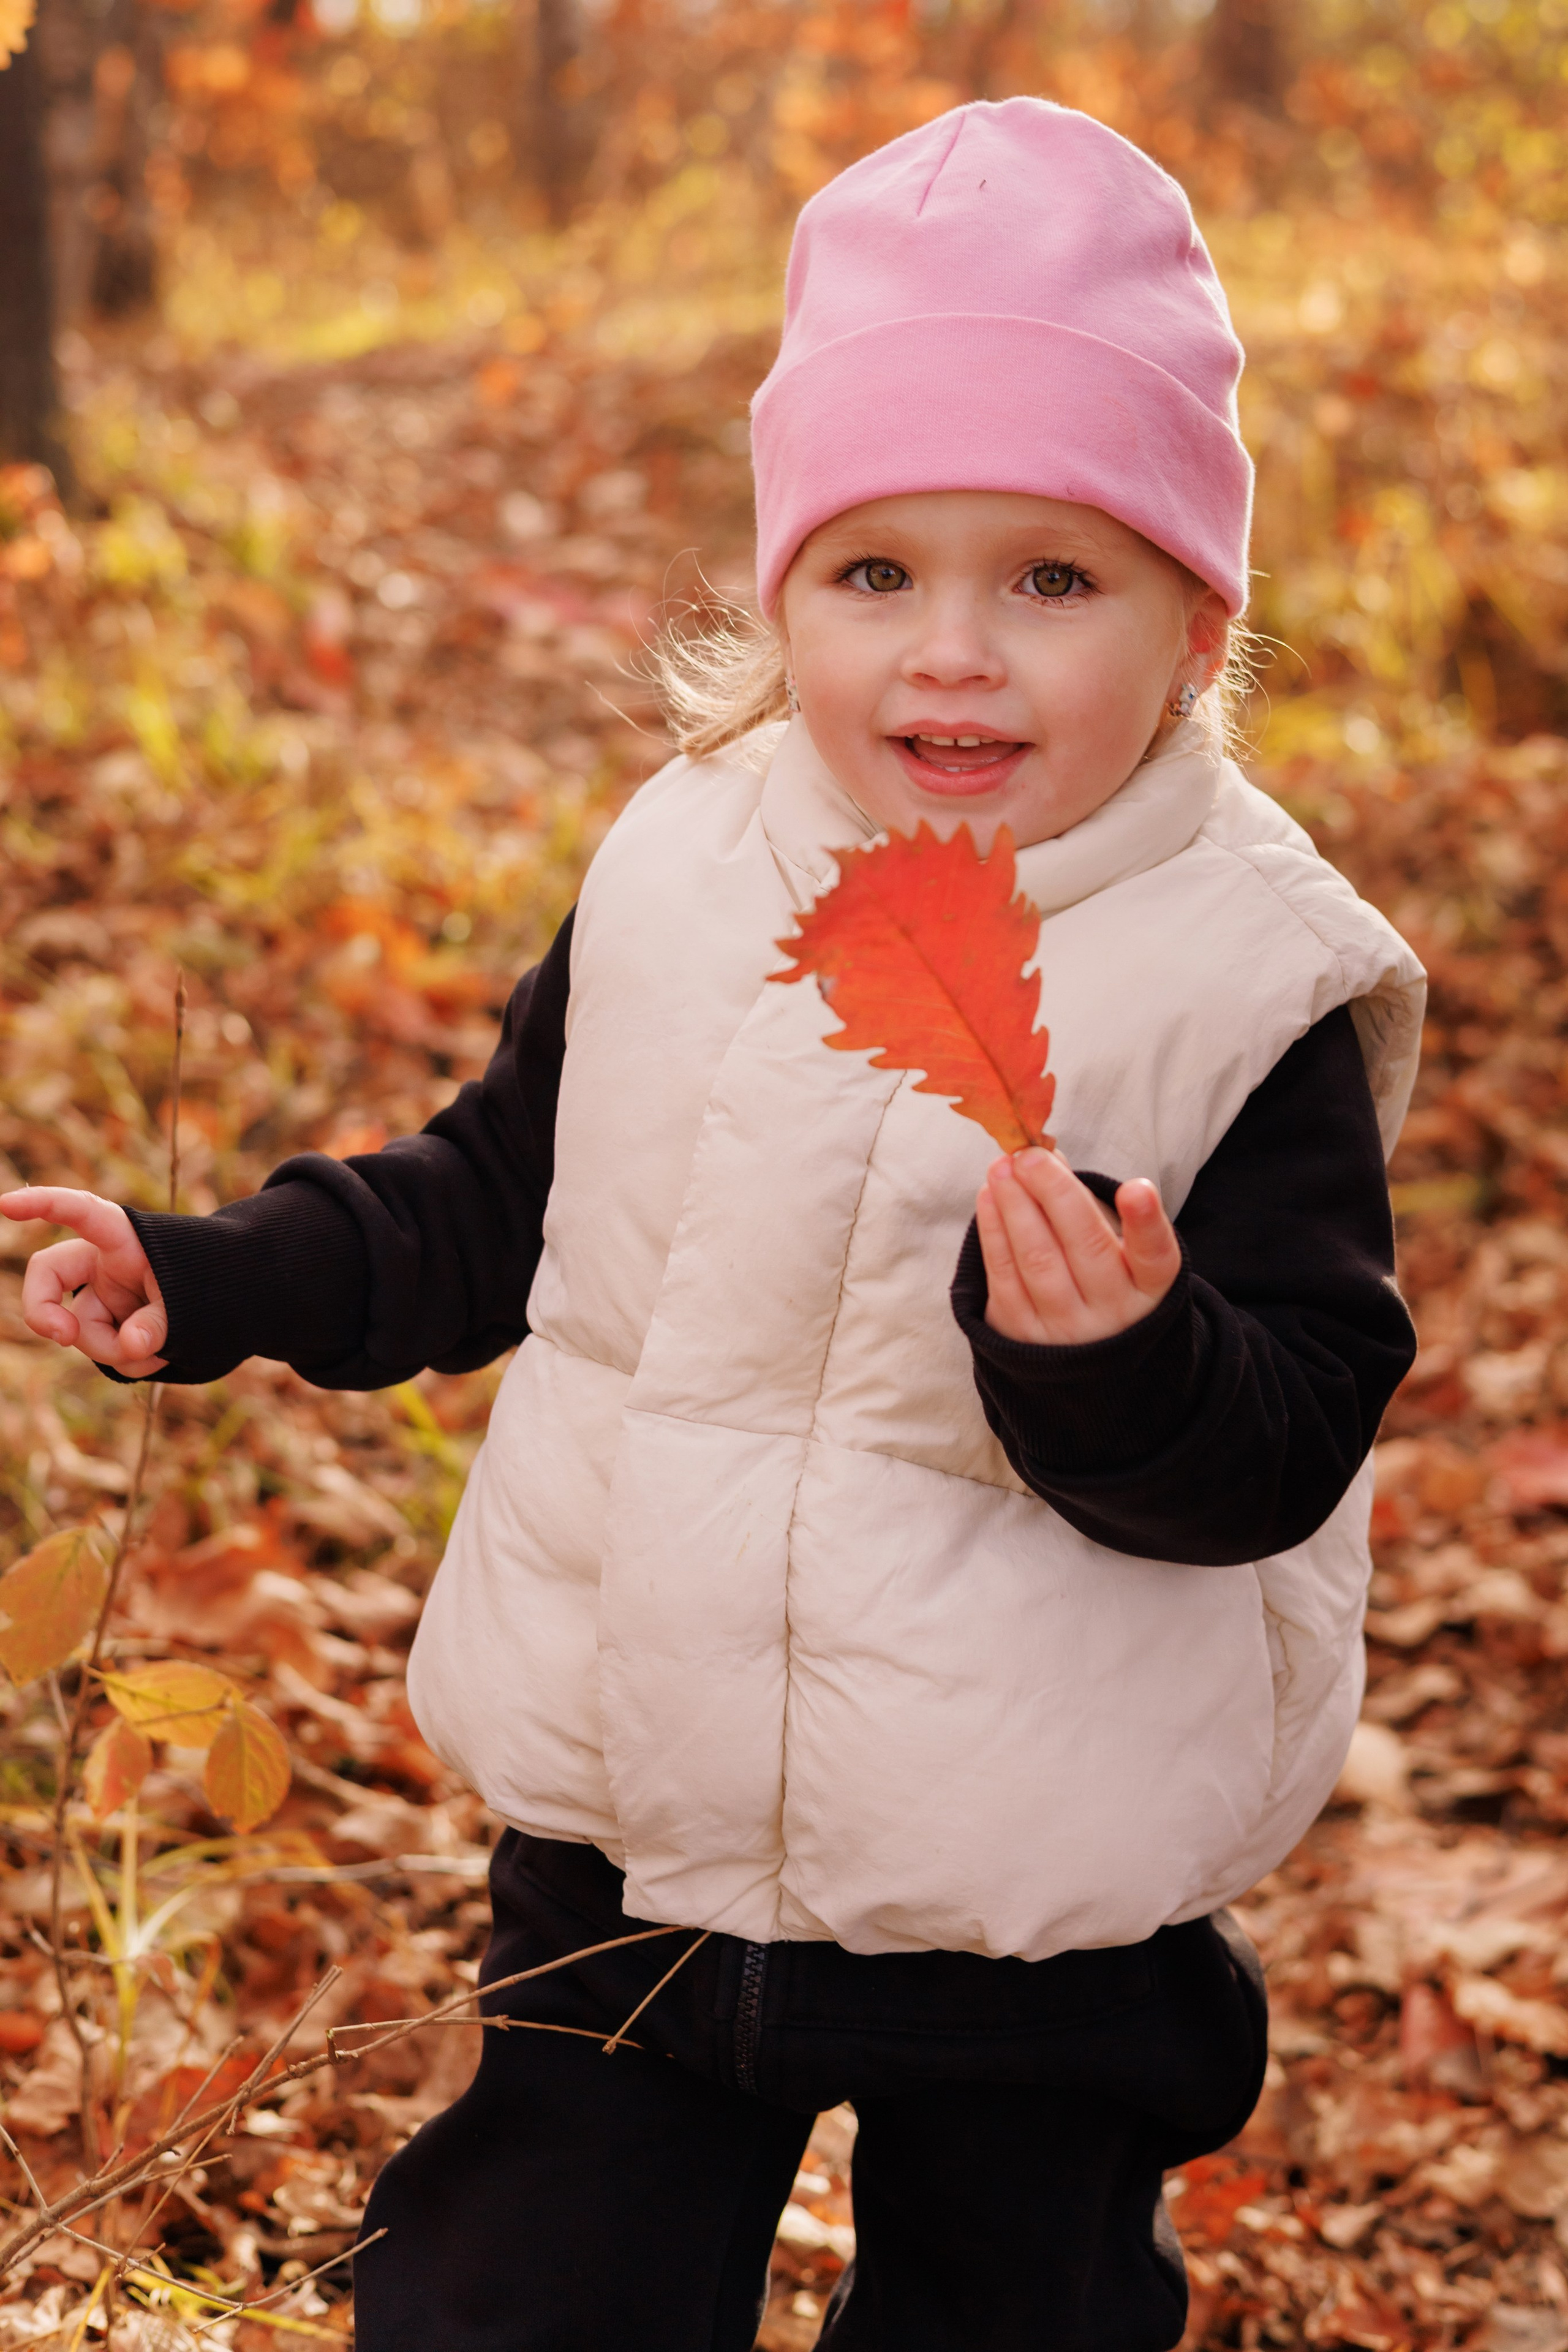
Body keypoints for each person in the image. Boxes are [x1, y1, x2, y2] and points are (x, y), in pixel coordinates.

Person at [4, 98, 1425, 2352]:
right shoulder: (686, 868)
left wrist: (1123, 1366)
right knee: (507, 2300)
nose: (952, 655)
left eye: (1053, 576)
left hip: (1033, 1894)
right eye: (878, 575)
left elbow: (1293, 1431)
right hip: (641, 1821)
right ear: (785, 592)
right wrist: (226, 1273)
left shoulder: (1246, 979)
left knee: (1020, 2314)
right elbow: (496, 1201)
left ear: (1195, 615)